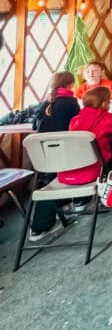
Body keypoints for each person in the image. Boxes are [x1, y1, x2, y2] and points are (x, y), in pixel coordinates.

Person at [13, 72, 81, 241]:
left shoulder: (44, 103)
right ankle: (41, 226)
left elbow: (36, 125)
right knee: (56, 181)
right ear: (70, 85)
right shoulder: (70, 102)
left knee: (49, 179)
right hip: (63, 152)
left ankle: (62, 209)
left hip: (43, 154)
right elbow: (78, 125)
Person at [58, 86, 112, 185]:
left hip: (70, 168)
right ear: (104, 104)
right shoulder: (104, 119)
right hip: (95, 166)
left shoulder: (74, 120)